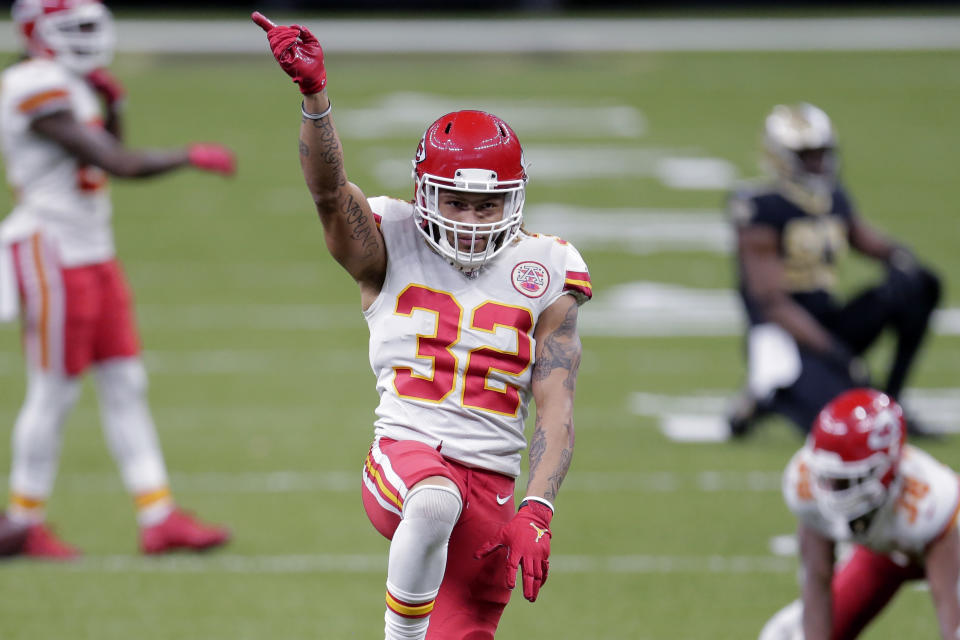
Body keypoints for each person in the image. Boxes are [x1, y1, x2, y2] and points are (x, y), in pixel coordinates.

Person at [253, 12, 591, 640]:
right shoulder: (390, 238)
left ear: (514, 197)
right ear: (423, 192)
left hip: (491, 487)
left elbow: (555, 400)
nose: (468, 217)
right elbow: (329, 196)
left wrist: (538, 506)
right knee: (434, 500)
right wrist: (314, 99)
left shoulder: (548, 266)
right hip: (407, 459)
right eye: (454, 200)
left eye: (486, 203)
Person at [0, 0, 233, 558]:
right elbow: (116, 162)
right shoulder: (32, 82)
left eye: (89, 26)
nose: (85, 37)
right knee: (54, 391)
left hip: (93, 252)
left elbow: (110, 148)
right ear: (37, 34)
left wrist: (114, 100)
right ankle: (20, 523)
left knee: (126, 382)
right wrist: (189, 155)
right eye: (73, 28)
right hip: (51, 251)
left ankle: (158, 516)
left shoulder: (71, 84)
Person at [726, 102, 941, 438]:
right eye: (808, 154)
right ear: (782, 156)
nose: (818, 162)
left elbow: (869, 242)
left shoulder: (832, 197)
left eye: (822, 152)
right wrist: (832, 351)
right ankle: (769, 394)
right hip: (784, 336)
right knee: (835, 424)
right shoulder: (759, 208)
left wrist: (902, 259)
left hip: (826, 320)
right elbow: (771, 302)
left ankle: (893, 401)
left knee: (920, 284)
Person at [758, 388, 960, 639]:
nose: (833, 492)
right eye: (830, 479)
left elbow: (951, 619)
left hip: (946, 545)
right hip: (883, 554)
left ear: (887, 468)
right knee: (787, 635)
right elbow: (817, 580)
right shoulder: (807, 483)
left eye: (847, 481)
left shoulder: (930, 502)